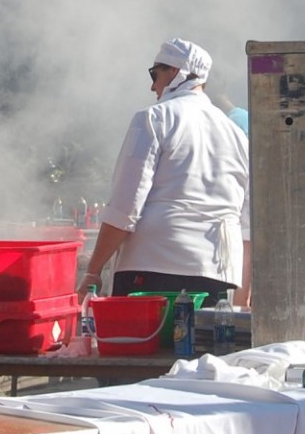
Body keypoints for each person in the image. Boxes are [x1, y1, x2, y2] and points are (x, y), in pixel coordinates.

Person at [80, 38, 252, 306]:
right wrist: (241, 297)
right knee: (202, 348)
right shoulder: (236, 134)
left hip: (152, 270)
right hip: (217, 275)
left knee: (142, 347)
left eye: (154, 73)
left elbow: (125, 207)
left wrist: (93, 270)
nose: (152, 86)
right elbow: (247, 221)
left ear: (174, 72)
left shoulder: (152, 118)